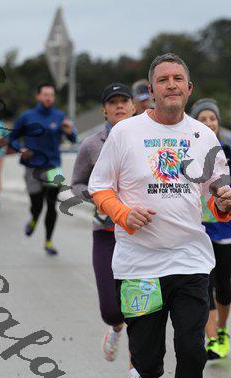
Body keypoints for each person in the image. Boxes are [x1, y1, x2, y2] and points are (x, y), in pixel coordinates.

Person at [88, 53, 231, 378]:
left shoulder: (204, 136)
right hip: (139, 264)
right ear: (152, 91)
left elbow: (216, 196)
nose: (171, 85)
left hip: (190, 260)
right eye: (163, 80)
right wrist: (123, 213)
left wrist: (224, 205)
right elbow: (100, 186)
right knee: (147, 357)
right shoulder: (125, 133)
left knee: (192, 351)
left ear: (189, 88)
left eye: (177, 79)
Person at [71, 83, 135, 362]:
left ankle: (139, 370)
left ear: (134, 107)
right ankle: (116, 326)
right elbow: (76, 184)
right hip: (106, 232)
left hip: (138, 233)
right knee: (110, 308)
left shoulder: (146, 139)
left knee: (140, 307)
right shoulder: (92, 145)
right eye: (113, 102)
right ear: (104, 110)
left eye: (124, 100)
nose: (119, 106)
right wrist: (96, 196)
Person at [191, 98, 231, 360]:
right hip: (197, 232)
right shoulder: (187, 153)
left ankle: (222, 330)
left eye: (212, 118)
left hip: (226, 232)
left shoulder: (229, 153)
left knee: (223, 285)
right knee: (203, 285)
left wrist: (226, 192)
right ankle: (213, 338)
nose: (208, 123)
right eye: (202, 119)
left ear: (218, 122)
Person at [8, 82, 77, 255]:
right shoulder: (27, 117)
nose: (48, 98)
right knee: (37, 205)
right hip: (32, 167)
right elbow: (12, 138)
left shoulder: (60, 116)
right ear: (38, 96)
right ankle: (33, 218)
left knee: (52, 204)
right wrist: (20, 149)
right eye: (45, 94)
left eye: (51, 95)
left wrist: (69, 132)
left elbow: (73, 138)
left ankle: (48, 241)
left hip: (53, 166)